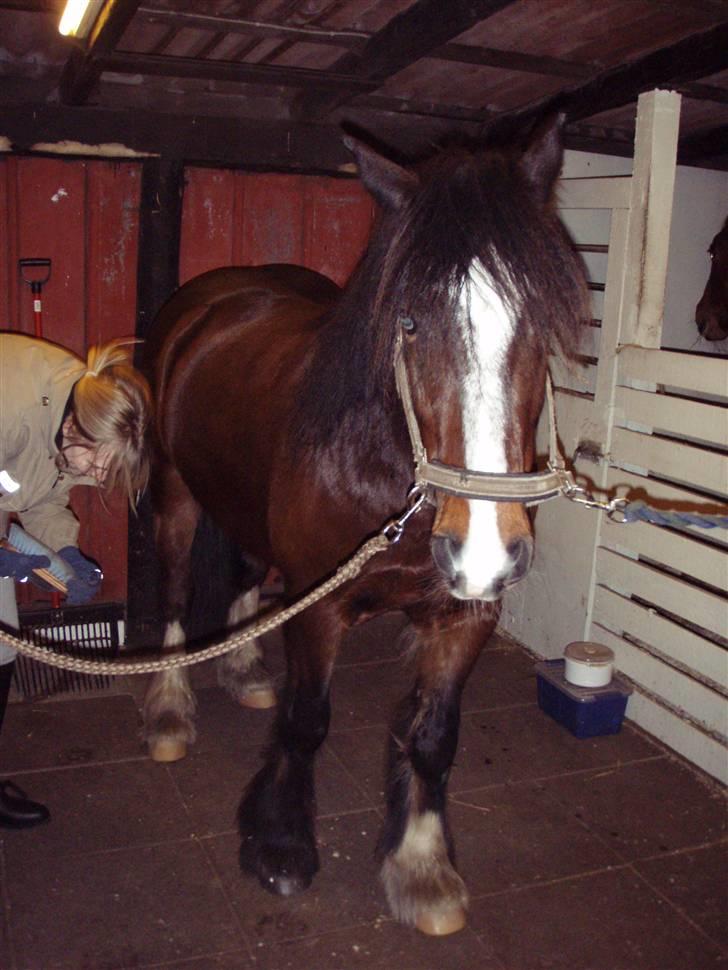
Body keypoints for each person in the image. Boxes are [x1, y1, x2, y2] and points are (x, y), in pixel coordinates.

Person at [0, 333, 151, 828]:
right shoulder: (13, 407)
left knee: (1, 650)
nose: (97, 476)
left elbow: (36, 491)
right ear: (71, 427)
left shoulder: (85, 418)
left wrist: (65, 548)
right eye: (95, 464)